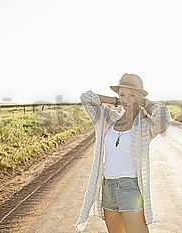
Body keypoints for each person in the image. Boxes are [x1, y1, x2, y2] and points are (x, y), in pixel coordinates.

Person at [75, 73, 172, 232]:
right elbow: (86, 98)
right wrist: (116, 101)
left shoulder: (144, 125)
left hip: (130, 189)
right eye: (122, 95)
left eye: (132, 95)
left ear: (139, 97)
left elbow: (163, 118)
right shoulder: (107, 118)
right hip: (108, 189)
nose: (126, 99)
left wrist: (146, 103)